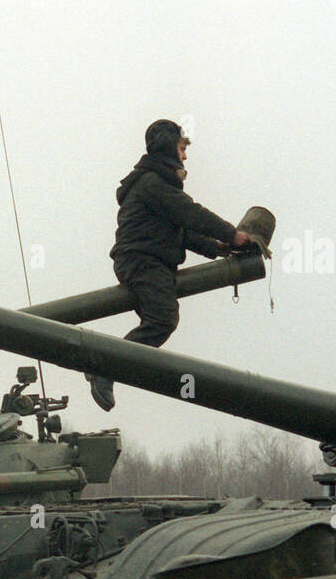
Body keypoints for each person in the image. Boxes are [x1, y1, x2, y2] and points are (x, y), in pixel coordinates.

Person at [88, 119, 255, 411]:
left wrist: (216, 247)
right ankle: (105, 368)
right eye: (181, 148)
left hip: (148, 261)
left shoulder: (155, 183)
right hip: (142, 261)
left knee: (160, 321)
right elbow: (190, 214)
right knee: (163, 320)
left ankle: (110, 366)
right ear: (167, 148)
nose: (185, 156)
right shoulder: (153, 183)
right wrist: (232, 234)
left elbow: (180, 229)